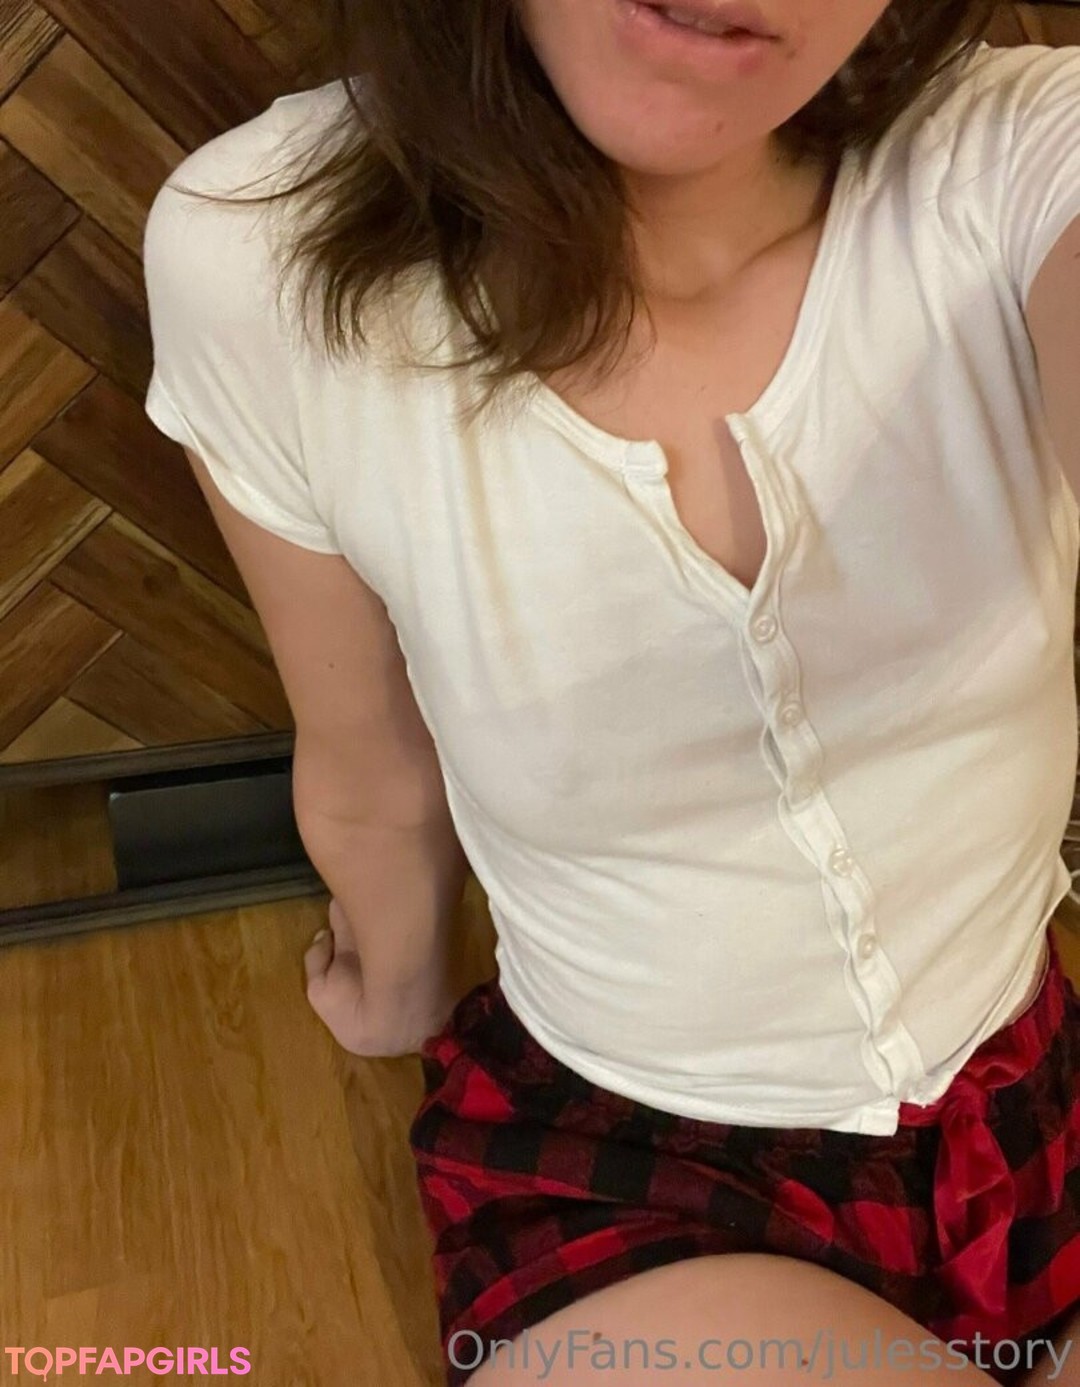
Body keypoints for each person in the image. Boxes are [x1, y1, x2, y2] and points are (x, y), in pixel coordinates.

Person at [141, 1, 1080, 1382]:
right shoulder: (258, 247)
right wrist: (397, 988)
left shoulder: (1019, 151)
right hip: (631, 1163)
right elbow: (371, 759)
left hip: (1026, 1100)